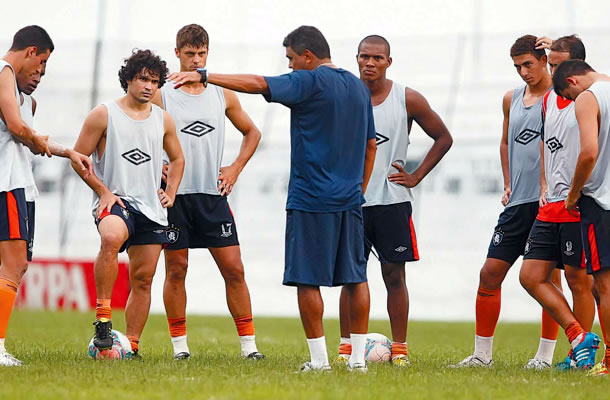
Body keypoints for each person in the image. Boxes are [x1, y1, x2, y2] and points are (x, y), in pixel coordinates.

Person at [169, 25, 377, 372]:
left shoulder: (309, 81)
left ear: (308, 57)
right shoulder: (358, 87)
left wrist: (205, 75)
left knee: (307, 279)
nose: (290, 67)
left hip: (311, 198)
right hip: (350, 200)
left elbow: (259, 83)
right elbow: (371, 145)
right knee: (356, 278)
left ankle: (320, 361)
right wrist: (360, 189)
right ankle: (357, 361)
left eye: (292, 60)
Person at [336, 35, 452, 366]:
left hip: (392, 203)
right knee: (351, 277)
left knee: (394, 276)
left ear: (388, 61)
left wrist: (416, 176)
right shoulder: (344, 97)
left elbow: (443, 137)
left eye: (377, 58)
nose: (369, 63)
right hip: (352, 202)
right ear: (356, 59)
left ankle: (399, 349)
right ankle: (347, 349)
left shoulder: (407, 98)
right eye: (364, 57)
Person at [151, 24, 263, 360]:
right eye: (189, 54)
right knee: (177, 270)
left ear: (207, 54)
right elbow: (138, 131)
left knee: (234, 269)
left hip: (212, 197)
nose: (195, 60)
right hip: (175, 197)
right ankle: (180, 349)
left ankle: (249, 348)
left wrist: (234, 168)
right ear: (177, 54)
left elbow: (252, 133)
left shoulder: (222, 92)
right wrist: (156, 166)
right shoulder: (162, 94)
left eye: (201, 54)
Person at [451, 35, 559, 368]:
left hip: (549, 203)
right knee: (490, 273)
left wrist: (558, 53)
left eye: (529, 64)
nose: (523, 72)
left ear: (544, 60)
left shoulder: (561, 98)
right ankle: (482, 356)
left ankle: (544, 357)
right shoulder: (510, 99)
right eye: (517, 66)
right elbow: (504, 143)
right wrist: (509, 182)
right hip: (517, 204)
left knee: (547, 280)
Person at [72, 49, 184, 358]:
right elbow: (78, 159)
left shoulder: (163, 119)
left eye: (155, 81)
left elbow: (177, 158)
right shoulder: (103, 114)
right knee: (110, 237)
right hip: (116, 201)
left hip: (152, 207)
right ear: (128, 80)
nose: (149, 86)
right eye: (143, 79)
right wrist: (103, 192)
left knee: (143, 278)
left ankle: (131, 346)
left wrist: (170, 190)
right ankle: (104, 319)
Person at [0, 25, 91, 367]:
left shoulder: (25, 98)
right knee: (14, 263)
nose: (40, 74)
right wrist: (34, 138)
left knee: (15, 266)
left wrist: (67, 151)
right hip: (5, 184)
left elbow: (31, 135)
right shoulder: (3, 72)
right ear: (31, 51)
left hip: (20, 185)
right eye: (41, 66)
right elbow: (18, 128)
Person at [519, 35, 596, 370]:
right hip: (550, 205)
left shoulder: (592, 99)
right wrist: (544, 184)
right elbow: (545, 142)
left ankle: (579, 356)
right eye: (550, 64)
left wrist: (576, 192)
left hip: (577, 204)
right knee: (530, 275)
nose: (552, 71)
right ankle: (579, 335)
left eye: (558, 65)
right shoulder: (551, 99)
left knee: (580, 280)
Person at [552, 59, 610, 374]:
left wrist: (573, 194)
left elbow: (588, 151)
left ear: (572, 81)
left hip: (601, 203)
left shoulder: (589, 97)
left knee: (604, 285)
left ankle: (609, 362)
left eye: (569, 97)